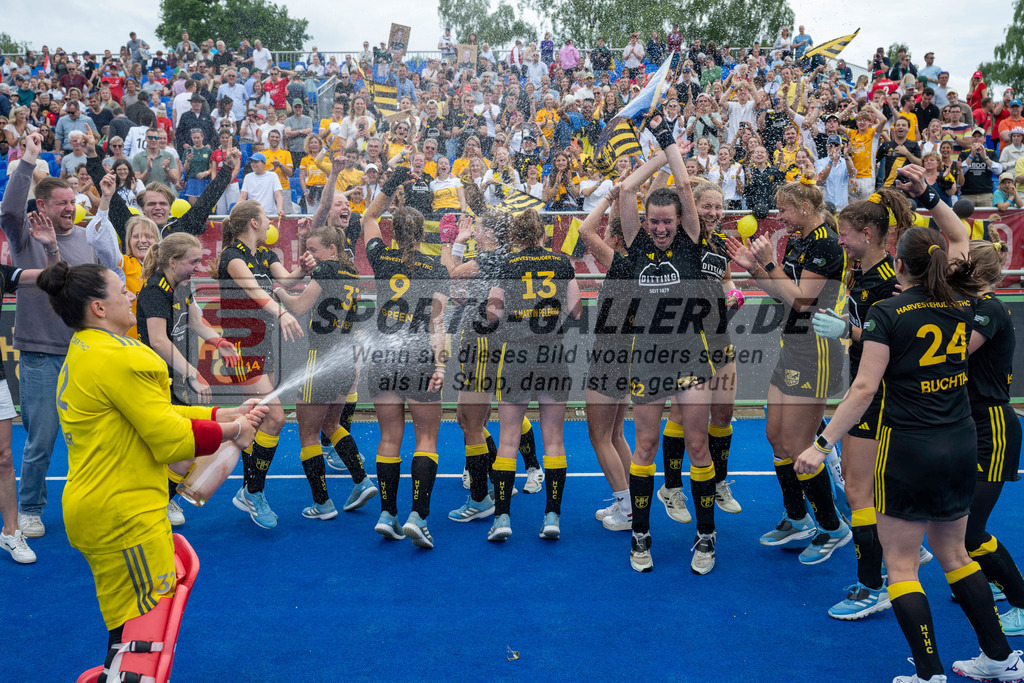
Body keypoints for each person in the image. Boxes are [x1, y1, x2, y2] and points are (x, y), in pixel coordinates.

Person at [795, 166, 1024, 683]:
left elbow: (863, 390)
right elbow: (960, 237)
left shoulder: (888, 313)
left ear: (898, 263)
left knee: (901, 566)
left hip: (908, 445)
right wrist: (931, 196)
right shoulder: (963, 302)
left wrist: (821, 443)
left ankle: (928, 673)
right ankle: (1000, 658)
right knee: (955, 553)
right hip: (960, 440)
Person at [40, 259, 264, 675]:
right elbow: (168, 437)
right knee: (145, 639)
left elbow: (157, 415)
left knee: (126, 632)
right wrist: (235, 431)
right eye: (121, 290)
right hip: (125, 513)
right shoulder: (121, 358)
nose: (131, 295)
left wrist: (223, 415)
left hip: (103, 507)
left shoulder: (88, 349)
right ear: (98, 308)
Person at [614, 119, 723, 574]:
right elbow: (625, 190)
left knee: (697, 445)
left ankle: (706, 536)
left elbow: (682, 185)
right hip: (648, 359)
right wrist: (658, 151)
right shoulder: (637, 244)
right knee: (645, 446)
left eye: (667, 221)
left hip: (691, 356)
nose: (660, 228)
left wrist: (667, 142)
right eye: (654, 221)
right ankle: (640, 535)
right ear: (645, 222)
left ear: (680, 220)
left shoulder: (691, 243)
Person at [725, 181, 851, 566]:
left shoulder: (826, 244)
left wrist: (768, 264)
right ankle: (798, 519)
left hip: (816, 352)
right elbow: (780, 292)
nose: (780, 217)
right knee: (776, 438)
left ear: (806, 207)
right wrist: (754, 268)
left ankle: (833, 527)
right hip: (791, 346)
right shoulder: (799, 240)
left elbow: (803, 301)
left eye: (785, 209)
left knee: (798, 445)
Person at [0, 133, 119, 540]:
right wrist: (28, 160)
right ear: (42, 207)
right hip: (42, 355)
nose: (69, 208)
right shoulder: (24, 235)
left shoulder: (87, 237)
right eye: (61, 203)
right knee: (42, 439)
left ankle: (96, 503)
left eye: (72, 202)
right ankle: (31, 508)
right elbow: (9, 209)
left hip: (87, 353)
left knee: (95, 437)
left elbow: (100, 281)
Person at [810, 187, 918, 620]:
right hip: (867, 389)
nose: (840, 241)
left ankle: (873, 585)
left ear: (869, 234)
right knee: (867, 489)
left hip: (879, 396)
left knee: (859, 491)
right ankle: (894, 560)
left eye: (845, 234)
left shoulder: (888, 282)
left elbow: (892, 344)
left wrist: (847, 332)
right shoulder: (863, 272)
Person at [361, 167, 449, 548]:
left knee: (389, 437)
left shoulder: (381, 257)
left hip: (383, 357)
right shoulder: (437, 269)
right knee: (426, 437)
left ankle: (387, 513)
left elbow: (367, 217)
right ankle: (418, 516)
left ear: (393, 233)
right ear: (423, 234)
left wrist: (392, 181)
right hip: (419, 358)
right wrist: (441, 364)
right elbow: (437, 322)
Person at [485, 209, 581, 541]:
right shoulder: (561, 263)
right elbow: (577, 311)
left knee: (508, 438)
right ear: (542, 233)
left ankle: (502, 518)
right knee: (553, 438)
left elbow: (492, 314)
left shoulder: (507, 264)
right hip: (552, 352)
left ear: (515, 235)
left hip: (517, 353)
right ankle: (552, 517)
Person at [273, 225, 379, 519]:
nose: (309, 255)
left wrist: (278, 291)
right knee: (332, 424)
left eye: (313, 249)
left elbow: (298, 307)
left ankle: (322, 504)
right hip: (344, 359)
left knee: (308, 433)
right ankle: (362, 481)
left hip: (320, 359)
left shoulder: (326, 269)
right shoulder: (352, 272)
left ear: (332, 249)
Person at [216, 201, 308, 529]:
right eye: (266, 217)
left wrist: (304, 264)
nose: (270, 222)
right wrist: (282, 313)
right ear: (254, 223)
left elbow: (288, 280)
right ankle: (253, 491)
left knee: (254, 420)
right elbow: (255, 291)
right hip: (242, 347)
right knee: (275, 417)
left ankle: (248, 489)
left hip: (262, 345)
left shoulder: (265, 255)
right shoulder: (232, 257)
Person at [0, 210, 63, 563]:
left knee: (4, 456)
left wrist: (51, 248)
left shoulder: (2, 274)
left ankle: (11, 532)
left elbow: (54, 279)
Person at [577, 197, 635, 531]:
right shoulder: (639, 262)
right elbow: (616, 226)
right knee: (615, 433)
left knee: (599, 436)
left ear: (614, 239)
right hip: (625, 354)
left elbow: (585, 231)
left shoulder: (621, 264)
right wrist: (625, 194)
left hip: (610, 355)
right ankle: (631, 500)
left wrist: (610, 197)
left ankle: (627, 509)